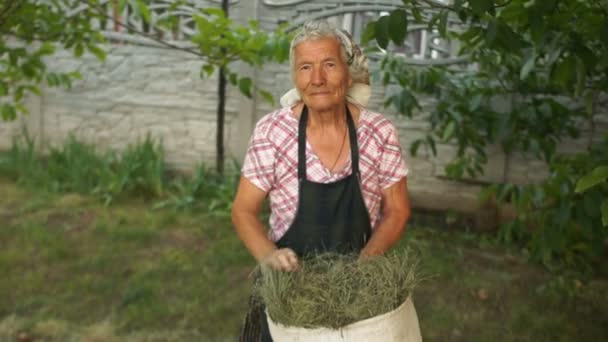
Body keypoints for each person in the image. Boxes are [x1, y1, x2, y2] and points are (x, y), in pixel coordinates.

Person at [232, 20, 411, 341]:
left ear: (347, 70)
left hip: (359, 290)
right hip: (288, 293)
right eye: (305, 67)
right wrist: (269, 255)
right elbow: (243, 211)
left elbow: (397, 210)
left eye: (329, 64)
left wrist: (365, 266)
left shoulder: (379, 132)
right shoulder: (273, 132)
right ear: (295, 76)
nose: (317, 79)